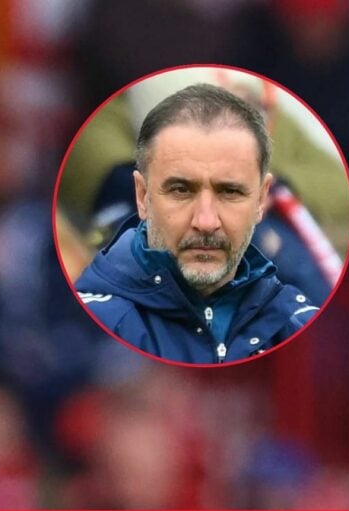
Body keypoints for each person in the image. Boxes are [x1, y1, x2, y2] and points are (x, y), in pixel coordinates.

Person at [75, 83, 317, 364]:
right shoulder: (92, 327)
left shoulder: (299, 320)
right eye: (180, 190)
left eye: (230, 192)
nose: (205, 221)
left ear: (262, 200)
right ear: (142, 196)